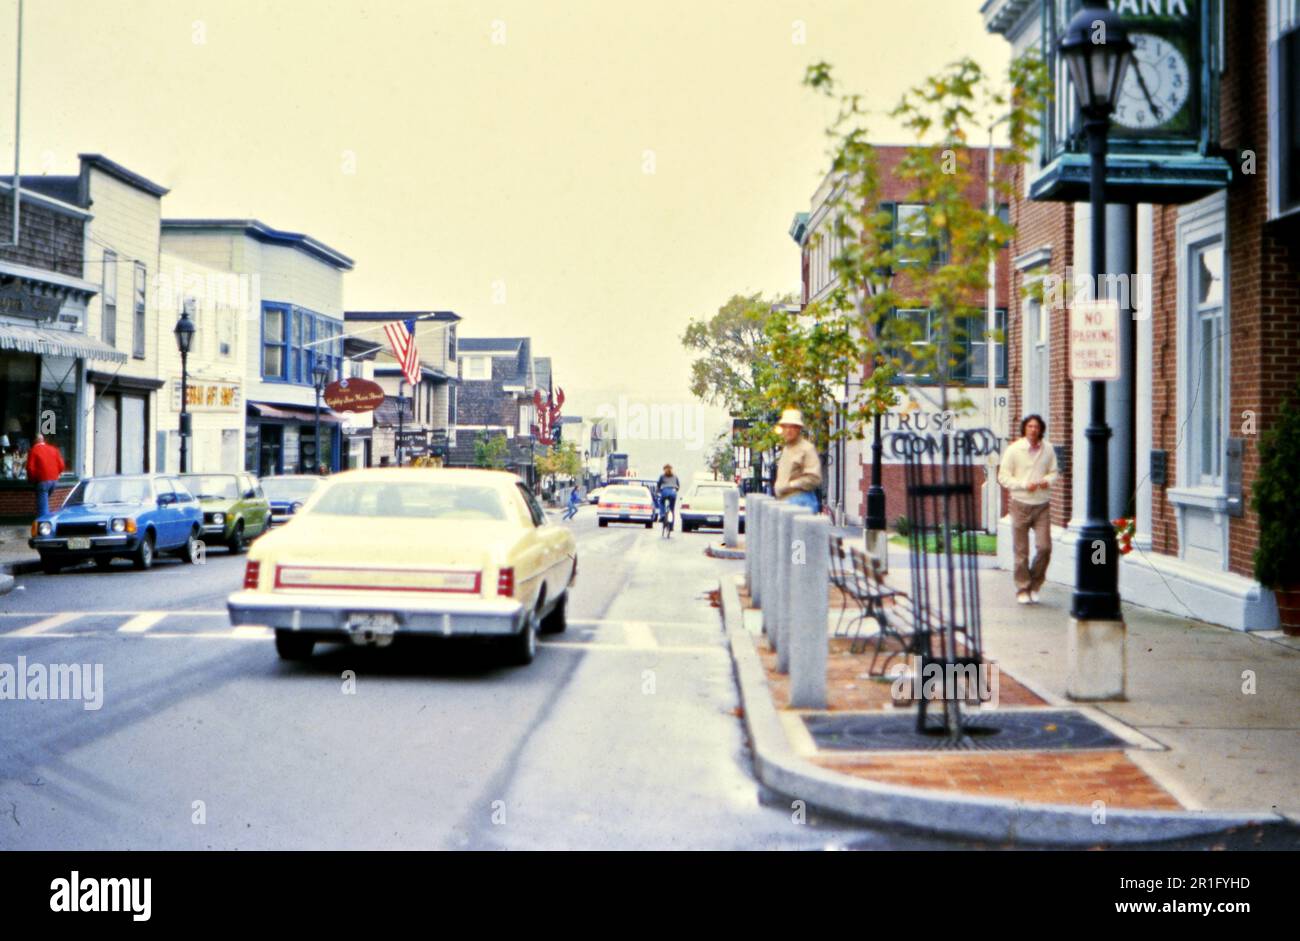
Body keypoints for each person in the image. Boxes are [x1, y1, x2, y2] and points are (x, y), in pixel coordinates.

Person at [997, 414, 1058, 605]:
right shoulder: (1014, 450)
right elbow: (1003, 477)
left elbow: (1054, 472)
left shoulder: (1048, 449)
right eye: (1030, 426)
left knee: (1044, 547)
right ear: (1024, 429)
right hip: (1020, 504)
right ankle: (1023, 587)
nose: (1033, 430)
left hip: (1041, 505)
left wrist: (1045, 481)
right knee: (1021, 551)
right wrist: (1024, 484)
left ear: (1041, 429)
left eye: (1036, 427)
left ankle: (1035, 584)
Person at [774, 408, 821, 512]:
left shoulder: (807, 448)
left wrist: (790, 485)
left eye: (793, 426)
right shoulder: (787, 449)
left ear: (799, 429)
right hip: (785, 501)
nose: (788, 430)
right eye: (785, 426)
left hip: (801, 500)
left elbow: (814, 478)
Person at [26, 433, 65, 519]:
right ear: (43, 440)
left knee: (43, 507)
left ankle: (44, 525)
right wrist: (56, 474)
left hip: (42, 480)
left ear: (35, 441)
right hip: (54, 480)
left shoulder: (33, 450)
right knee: (45, 502)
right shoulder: (53, 449)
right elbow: (61, 465)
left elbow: (30, 468)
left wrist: (32, 480)